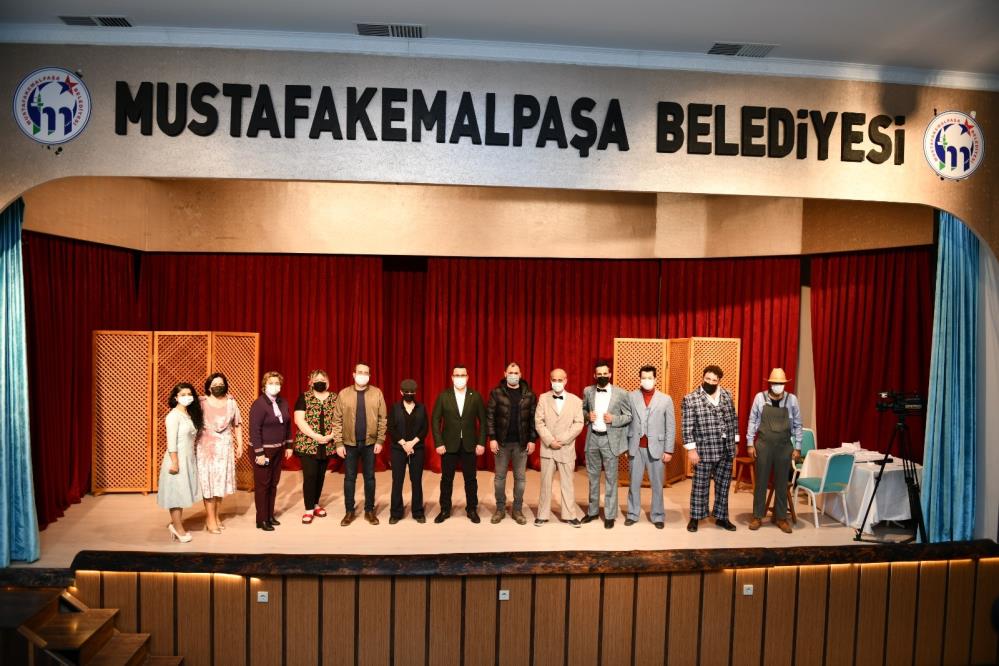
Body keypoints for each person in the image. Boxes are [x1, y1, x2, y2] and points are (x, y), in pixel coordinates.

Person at [682, 365, 739, 533]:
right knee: (700, 486)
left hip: (726, 448)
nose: (710, 382)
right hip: (703, 449)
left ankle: (722, 517)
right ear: (703, 378)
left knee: (723, 485)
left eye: (714, 380)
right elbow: (686, 427)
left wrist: (735, 442)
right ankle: (695, 517)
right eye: (707, 379)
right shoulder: (691, 399)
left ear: (719, 381)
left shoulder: (727, 395)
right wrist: (691, 450)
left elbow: (733, 419)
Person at [746, 368, 803, 533]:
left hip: (784, 446)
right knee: (761, 482)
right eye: (775, 383)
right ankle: (757, 516)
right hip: (764, 445)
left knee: (782, 483)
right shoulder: (760, 397)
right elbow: (752, 420)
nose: (778, 386)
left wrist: (798, 446)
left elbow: (798, 424)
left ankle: (781, 518)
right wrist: (750, 443)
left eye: (781, 383)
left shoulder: (792, 400)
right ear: (770, 383)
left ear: (785, 384)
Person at [332, 362, 388, 526]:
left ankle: (369, 510)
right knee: (350, 478)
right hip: (349, 444)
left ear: (369, 376)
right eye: (360, 372)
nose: (363, 375)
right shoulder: (344, 394)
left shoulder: (377, 393)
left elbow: (382, 419)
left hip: (370, 443)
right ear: (354, 374)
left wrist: (380, 440)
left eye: (366, 373)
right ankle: (349, 511)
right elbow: (337, 420)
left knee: (370, 477)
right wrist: (338, 443)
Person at [431, 364, 487, 524]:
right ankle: (445, 509)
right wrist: (439, 442)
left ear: (467, 377)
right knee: (446, 479)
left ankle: (471, 509)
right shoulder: (444, 396)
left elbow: (483, 422)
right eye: (457, 375)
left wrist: (481, 443)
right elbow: (435, 420)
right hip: (448, 445)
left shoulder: (475, 396)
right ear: (452, 377)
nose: (460, 378)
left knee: (471, 479)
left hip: (470, 444)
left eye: (463, 375)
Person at [581, 360, 632, 528]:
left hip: (610, 441)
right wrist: (587, 416)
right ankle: (592, 512)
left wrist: (614, 419)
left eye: (605, 373)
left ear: (610, 374)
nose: (602, 376)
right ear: (595, 375)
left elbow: (629, 416)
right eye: (599, 374)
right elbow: (582, 410)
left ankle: (610, 515)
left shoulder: (621, 393)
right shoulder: (588, 391)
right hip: (593, 438)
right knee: (593, 478)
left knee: (611, 479)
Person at [486, 362, 538, 525]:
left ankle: (517, 510)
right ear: (505, 374)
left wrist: (532, 439)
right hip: (501, 444)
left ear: (520, 375)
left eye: (516, 373)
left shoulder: (529, 395)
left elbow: (533, 419)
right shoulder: (496, 393)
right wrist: (492, 438)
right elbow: (490, 417)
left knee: (520, 479)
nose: (513, 375)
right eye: (510, 372)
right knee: (499, 478)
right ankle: (500, 509)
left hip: (521, 444)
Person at [625, 365, 675, 529]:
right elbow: (626, 423)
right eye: (643, 378)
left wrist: (668, 450)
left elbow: (670, 426)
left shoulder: (665, 399)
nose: (646, 380)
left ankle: (658, 515)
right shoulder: (630, 397)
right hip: (635, 447)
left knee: (657, 484)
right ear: (639, 379)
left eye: (649, 378)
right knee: (634, 483)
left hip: (657, 448)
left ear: (655, 379)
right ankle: (632, 514)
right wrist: (625, 446)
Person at [533, 368, 585, 527]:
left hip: (565, 448)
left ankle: (570, 515)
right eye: (554, 380)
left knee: (567, 484)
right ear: (550, 381)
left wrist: (562, 440)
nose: (557, 383)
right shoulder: (543, 398)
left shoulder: (576, 401)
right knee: (545, 483)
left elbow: (579, 424)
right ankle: (542, 514)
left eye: (560, 380)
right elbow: (539, 422)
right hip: (548, 448)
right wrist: (550, 440)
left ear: (566, 380)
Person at [157, 382, 203, 542]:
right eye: (183, 395)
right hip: (176, 460)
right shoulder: (173, 416)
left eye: (189, 394)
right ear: (176, 397)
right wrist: (175, 463)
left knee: (181, 494)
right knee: (176, 496)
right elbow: (171, 443)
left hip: (188, 459)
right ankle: (178, 529)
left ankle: (175, 524)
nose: (187, 397)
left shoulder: (188, 414)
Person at [197, 372, 243, 534]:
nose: (218, 387)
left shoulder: (231, 402)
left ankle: (216, 516)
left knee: (219, 482)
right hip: (206, 446)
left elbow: (237, 424)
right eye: (215, 384)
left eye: (221, 384)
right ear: (209, 387)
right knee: (208, 483)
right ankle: (210, 519)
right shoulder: (202, 403)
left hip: (225, 446)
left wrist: (240, 444)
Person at [248, 371, 293, 531]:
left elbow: (287, 425)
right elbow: (254, 431)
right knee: (263, 486)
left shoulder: (283, 402)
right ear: (264, 386)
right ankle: (261, 519)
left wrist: (289, 446)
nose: (274, 386)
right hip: (263, 451)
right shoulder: (259, 405)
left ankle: (269, 515)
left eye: (277, 383)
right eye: (271, 383)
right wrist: (259, 453)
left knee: (273, 484)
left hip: (278, 449)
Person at [293, 369, 337, 524]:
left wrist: (331, 435)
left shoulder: (334, 398)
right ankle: (309, 509)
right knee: (310, 476)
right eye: (316, 379)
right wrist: (315, 436)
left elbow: (340, 419)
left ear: (328, 382)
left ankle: (316, 503)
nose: (320, 382)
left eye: (323, 380)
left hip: (327, 443)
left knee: (320, 476)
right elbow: (299, 420)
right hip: (308, 444)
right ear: (310, 382)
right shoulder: (304, 397)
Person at [387, 378, 428, 524]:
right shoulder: (395, 408)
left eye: (412, 392)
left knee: (416, 481)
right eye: (406, 392)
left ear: (415, 392)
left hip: (417, 448)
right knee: (397, 481)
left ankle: (418, 512)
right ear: (401, 392)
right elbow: (391, 428)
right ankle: (396, 512)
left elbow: (425, 429)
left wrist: (412, 443)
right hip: (398, 449)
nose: (409, 394)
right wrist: (404, 443)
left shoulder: (421, 408)